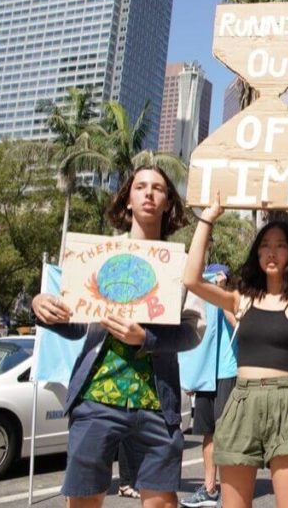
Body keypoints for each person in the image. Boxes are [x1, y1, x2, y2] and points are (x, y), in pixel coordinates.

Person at [31, 165, 203, 508]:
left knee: (162, 502)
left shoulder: (182, 263)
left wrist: (147, 339)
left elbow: (192, 332)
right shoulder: (97, 254)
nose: (149, 193)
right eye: (141, 186)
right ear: (127, 200)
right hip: (97, 397)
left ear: (168, 203)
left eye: (158, 188)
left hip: (157, 400)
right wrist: (41, 307)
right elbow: (78, 322)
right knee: (84, 499)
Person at [183, 196, 288, 508]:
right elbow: (191, 279)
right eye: (265, 245)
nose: (271, 252)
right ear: (257, 251)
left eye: (281, 245)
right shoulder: (241, 300)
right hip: (241, 401)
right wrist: (207, 219)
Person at [178, 264, 239, 508]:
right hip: (205, 374)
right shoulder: (200, 301)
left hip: (227, 372)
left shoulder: (231, 298)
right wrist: (191, 376)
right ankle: (209, 488)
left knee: (228, 435)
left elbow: (237, 324)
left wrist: (222, 293)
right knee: (208, 433)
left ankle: (231, 491)